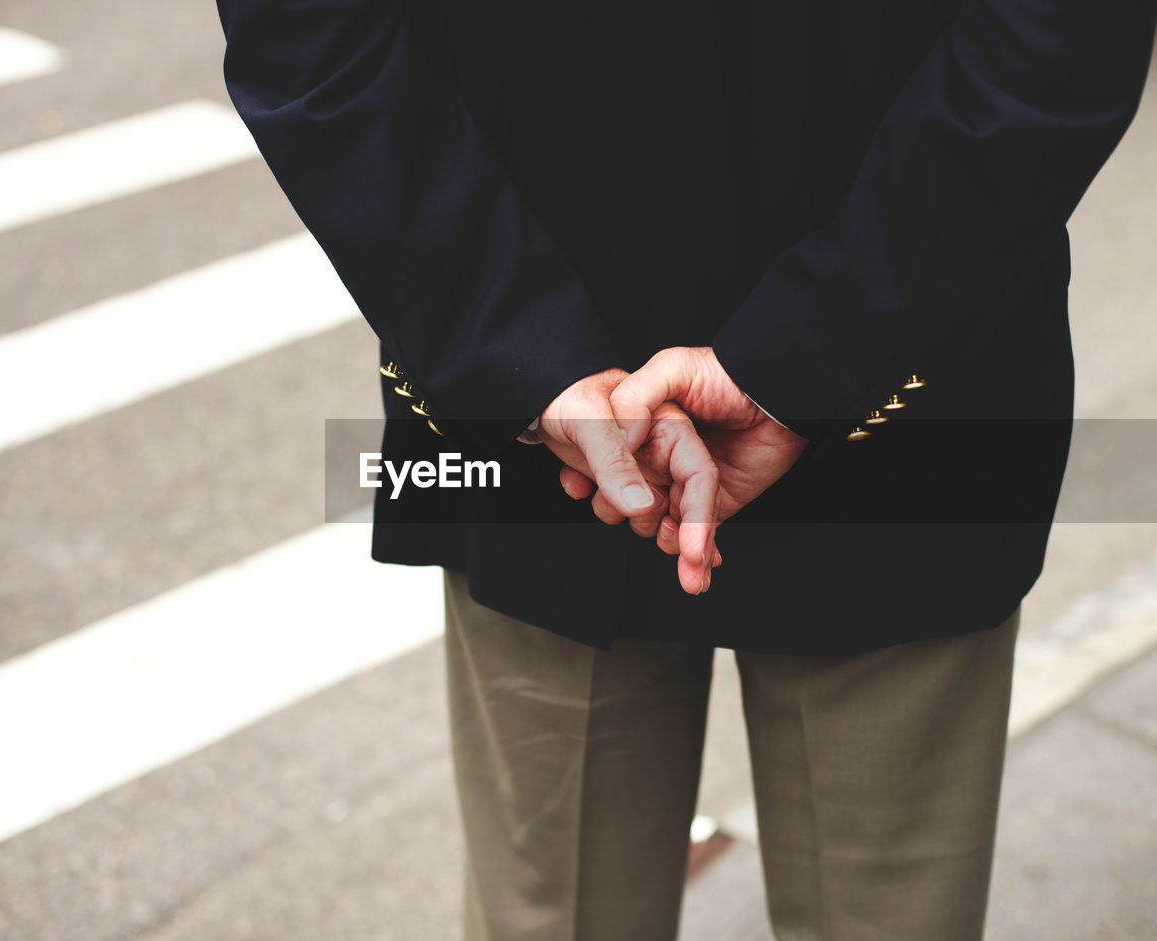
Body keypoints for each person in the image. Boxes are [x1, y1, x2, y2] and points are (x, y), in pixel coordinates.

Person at [215, 1, 1156, 937]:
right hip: (864, 346)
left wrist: (515, 344)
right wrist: (807, 344)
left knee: (562, 906)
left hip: (632, 376)